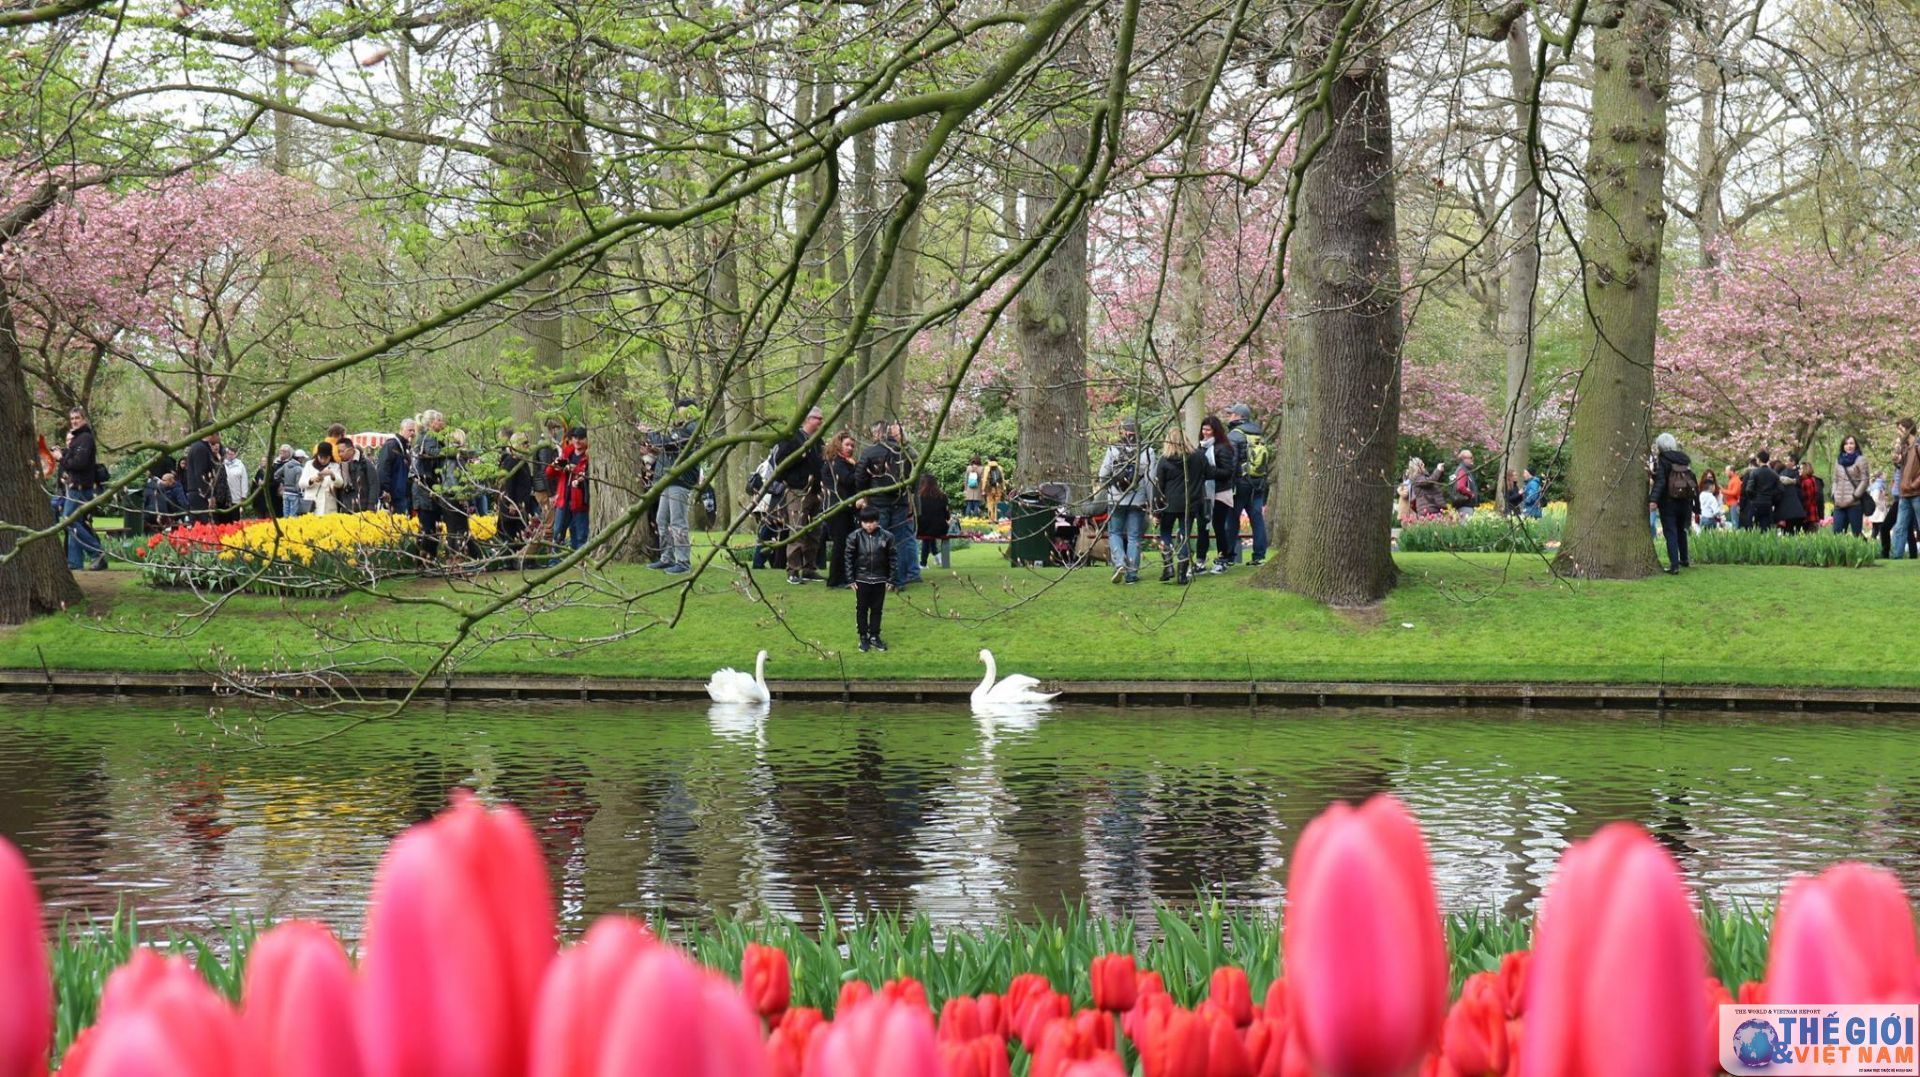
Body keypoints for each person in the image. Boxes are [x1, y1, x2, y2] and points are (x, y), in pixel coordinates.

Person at [857, 421, 918, 588]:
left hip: (878, 501)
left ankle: (877, 577)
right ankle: (898, 580)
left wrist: (863, 494)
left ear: (877, 434)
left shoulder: (869, 452)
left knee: (877, 540)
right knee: (900, 541)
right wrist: (910, 492)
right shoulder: (904, 452)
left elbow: (860, 476)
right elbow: (915, 474)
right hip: (900, 501)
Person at [1098, 416, 1155, 584]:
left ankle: (1120, 562)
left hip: (1116, 499)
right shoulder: (1147, 451)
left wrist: (1109, 489)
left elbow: (1102, 475)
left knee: (1114, 532)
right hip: (1137, 500)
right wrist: (1151, 503)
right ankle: (1131, 575)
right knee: (1134, 537)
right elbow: (1150, 480)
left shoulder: (1112, 450)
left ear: (1122, 431)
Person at [773, 406, 826, 585]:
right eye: (818, 418)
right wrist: (798, 461)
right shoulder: (792, 438)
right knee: (797, 529)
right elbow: (779, 461)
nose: (821, 422)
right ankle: (793, 570)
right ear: (808, 419)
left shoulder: (818, 440)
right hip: (797, 490)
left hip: (815, 491)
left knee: (814, 531)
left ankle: (809, 568)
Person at [647, 400, 701, 575]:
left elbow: (669, 444)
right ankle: (667, 558)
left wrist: (652, 432)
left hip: (680, 480)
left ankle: (683, 561)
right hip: (668, 480)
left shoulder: (690, 428)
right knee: (662, 520)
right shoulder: (679, 430)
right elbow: (668, 448)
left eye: (681, 411)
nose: (678, 415)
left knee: (678, 522)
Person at [1154, 428, 1207, 584]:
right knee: (1184, 536)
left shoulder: (1164, 460)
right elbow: (1208, 472)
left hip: (1169, 503)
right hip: (1189, 503)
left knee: (1165, 533)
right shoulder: (1197, 457)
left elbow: (1158, 485)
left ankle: (1168, 566)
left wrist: (1156, 510)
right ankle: (1182, 574)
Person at [845, 506, 895, 652]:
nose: (869, 525)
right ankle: (863, 637)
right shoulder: (854, 537)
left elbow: (893, 558)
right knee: (861, 609)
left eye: (872, 521)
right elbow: (848, 558)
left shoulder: (887, 536)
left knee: (877, 609)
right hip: (862, 579)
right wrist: (850, 579)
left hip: (880, 579)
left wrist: (891, 579)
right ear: (861, 522)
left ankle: (874, 635)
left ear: (878, 521)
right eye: (866, 522)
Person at [1226, 403, 1270, 566]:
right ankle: (1259, 556)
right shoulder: (1258, 433)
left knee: (1232, 519)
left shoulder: (1235, 435)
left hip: (1240, 484)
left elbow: (1232, 462)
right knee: (1257, 520)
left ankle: (1229, 556)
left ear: (1238, 416)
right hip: (1258, 483)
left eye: (1231, 414)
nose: (1229, 416)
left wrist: (1228, 486)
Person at [1648, 432, 1698, 573]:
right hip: (1685, 502)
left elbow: (1661, 481)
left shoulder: (1663, 460)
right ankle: (1684, 559)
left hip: (1668, 502)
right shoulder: (1684, 459)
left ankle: (1674, 565)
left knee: (1670, 532)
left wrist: (1653, 499)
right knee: (1681, 530)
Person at [1196, 415, 1238, 573]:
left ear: (1215, 431)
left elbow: (1227, 472)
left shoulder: (1223, 448)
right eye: (1203, 429)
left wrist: (1208, 472)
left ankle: (1222, 558)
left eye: (1208, 429)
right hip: (1204, 492)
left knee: (1218, 526)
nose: (1205, 432)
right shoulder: (1201, 447)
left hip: (1220, 492)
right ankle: (1200, 560)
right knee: (1202, 527)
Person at [821, 431, 862, 589]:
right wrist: (858, 467)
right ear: (839, 445)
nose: (850, 448)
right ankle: (836, 579)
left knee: (845, 543)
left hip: (843, 507)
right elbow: (847, 480)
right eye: (847, 445)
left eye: (852, 445)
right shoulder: (837, 463)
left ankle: (844, 577)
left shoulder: (841, 462)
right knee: (841, 543)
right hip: (837, 507)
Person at [545, 427, 592, 553]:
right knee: (558, 531)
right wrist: (556, 464)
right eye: (575, 438)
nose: (578, 441)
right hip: (563, 499)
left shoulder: (588, 457)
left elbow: (588, 475)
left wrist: (574, 469)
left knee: (580, 533)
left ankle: (580, 558)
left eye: (581, 438)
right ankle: (554, 561)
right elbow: (549, 473)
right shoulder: (567, 454)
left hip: (579, 501)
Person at [412, 411, 450, 561]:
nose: (442, 423)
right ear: (431, 423)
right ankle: (425, 559)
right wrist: (451, 451)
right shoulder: (429, 436)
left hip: (428, 487)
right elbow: (432, 452)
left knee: (432, 526)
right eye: (439, 420)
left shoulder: (429, 436)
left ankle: (430, 559)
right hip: (425, 488)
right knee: (427, 526)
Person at [497, 431, 537, 566]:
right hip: (512, 504)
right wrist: (512, 503)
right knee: (512, 533)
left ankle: (525, 560)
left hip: (522, 503)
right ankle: (511, 562)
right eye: (524, 443)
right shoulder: (511, 461)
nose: (528, 446)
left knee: (523, 532)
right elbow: (508, 484)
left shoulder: (521, 461)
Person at [182, 432, 228, 522]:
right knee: (207, 526)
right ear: (212, 434)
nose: (219, 438)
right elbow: (201, 473)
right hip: (200, 495)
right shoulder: (200, 449)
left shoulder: (201, 447)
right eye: (218, 434)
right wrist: (208, 495)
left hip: (198, 493)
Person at [1891, 418, 1920, 559]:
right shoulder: (1905, 448)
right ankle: (1897, 558)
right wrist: (1897, 459)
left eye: (1900, 429)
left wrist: (1914, 485)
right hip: (1904, 494)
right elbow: (1901, 467)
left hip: (1917, 493)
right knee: (1899, 528)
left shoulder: (1918, 446)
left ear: (1909, 429)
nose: (1898, 432)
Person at [1831, 436, 1870, 537]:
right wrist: (1834, 494)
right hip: (1839, 504)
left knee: (1857, 534)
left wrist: (1854, 496)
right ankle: (1840, 553)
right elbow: (1835, 480)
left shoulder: (1861, 460)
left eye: (1851, 443)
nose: (1849, 446)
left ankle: (1863, 552)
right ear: (1843, 446)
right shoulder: (1838, 460)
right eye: (1846, 443)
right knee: (1837, 533)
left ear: (1855, 445)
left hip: (1854, 504)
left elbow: (1865, 481)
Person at [299, 442, 348, 516]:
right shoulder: (309, 464)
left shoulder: (335, 466)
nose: (323, 460)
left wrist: (332, 475)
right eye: (321, 457)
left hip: (328, 505)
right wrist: (311, 480)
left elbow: (340, 484)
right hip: (311, 504)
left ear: (330, 456)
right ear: (317, 455)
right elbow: (301, 484)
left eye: (326, 458)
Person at [379, 419, 415, 514]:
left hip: (404, 493)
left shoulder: (406, 447)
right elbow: (383, 468)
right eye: (409, 430)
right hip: (393, 494)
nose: (412, 433)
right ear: (402, 429)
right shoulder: (391, 445)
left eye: (414, 431)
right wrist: (384, 489)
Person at [916, 474, 952, 570]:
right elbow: (947, 516)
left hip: (923, 527)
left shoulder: (919, 497)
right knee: (931, 532)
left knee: (927, 534)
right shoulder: (943, 496)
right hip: (940, 527)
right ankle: (936, 555)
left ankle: (923, 563)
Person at [1740, 451, 1779, 531]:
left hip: (1756, 502)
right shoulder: (1774, 473)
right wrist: (1771, 497)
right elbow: (1779, 489)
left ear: (1759, 460)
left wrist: (1753, 498)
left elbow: (1748, 489)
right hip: (1768, 502)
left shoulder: (1755, 472)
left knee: (1752, 526)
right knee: (1765, 527)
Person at [335, 441, 377, 513]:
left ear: (351, 450)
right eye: (338, 452)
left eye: (341, 451)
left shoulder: (365, 464)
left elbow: (374, 485)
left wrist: (371, 506)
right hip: (345, 508)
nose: (339, 454)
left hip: (363, 508)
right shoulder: (340, 465)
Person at [1774, 456, 1807, 533]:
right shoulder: (1799, 475)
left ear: (1793, 462)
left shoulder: (1783, 474)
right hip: (1798, 509)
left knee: (1787, 532)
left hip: (1785, 510)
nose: (1786, 463)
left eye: (1788, 461)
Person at [277, 449, 309, 517]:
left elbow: (276, 475)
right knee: (293, 515)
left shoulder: (286, 465)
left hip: (285, 492)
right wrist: (301, 493)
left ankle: (284, 527)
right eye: (303, 458)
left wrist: (283, 481)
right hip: (295, 494)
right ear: (299, 458)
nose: (303, 460)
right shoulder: (299, 468)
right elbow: (298, 484)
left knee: (286, 514)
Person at [1449, 449, 1479, 519]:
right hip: (1465, 505)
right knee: (1465, 526)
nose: (1472, 460)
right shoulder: (1463, 470)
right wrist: (1471, 494)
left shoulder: (1461, 469)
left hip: (1463, 504)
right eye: (1471, 458)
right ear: (1464, 459)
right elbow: (1460, 486)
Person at [221, 447, 249, 520]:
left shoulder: (240, 465)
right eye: (228, 453)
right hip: (224, 498)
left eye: (232, 454)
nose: (230, 455)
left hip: (236, 498)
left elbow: (244, 482)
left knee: (235, 519)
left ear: (235, 454)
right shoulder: (222, 463)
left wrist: (243, 496)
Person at [983, 457, 1007, 521]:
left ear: (989, 460)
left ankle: (990, 519)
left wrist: (983, 489)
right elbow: (1003, 479)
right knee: (997, 503)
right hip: (998, 488)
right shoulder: (1000, 468)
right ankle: (997, 518)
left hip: (989, 489)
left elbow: (985, 480)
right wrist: (1004, 487)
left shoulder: (987, 468)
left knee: (990, 503)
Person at [1722, 463, 1743, 529]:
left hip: (1735, 504)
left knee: (1735, 523)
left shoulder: (1736, 480)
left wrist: (1723, 490)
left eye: (1726, 471)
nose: (1725, 472)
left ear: (1731, 471)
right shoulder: (1732, 480)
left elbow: (1734, 492)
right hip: (1732, 504)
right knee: (1734, 522)